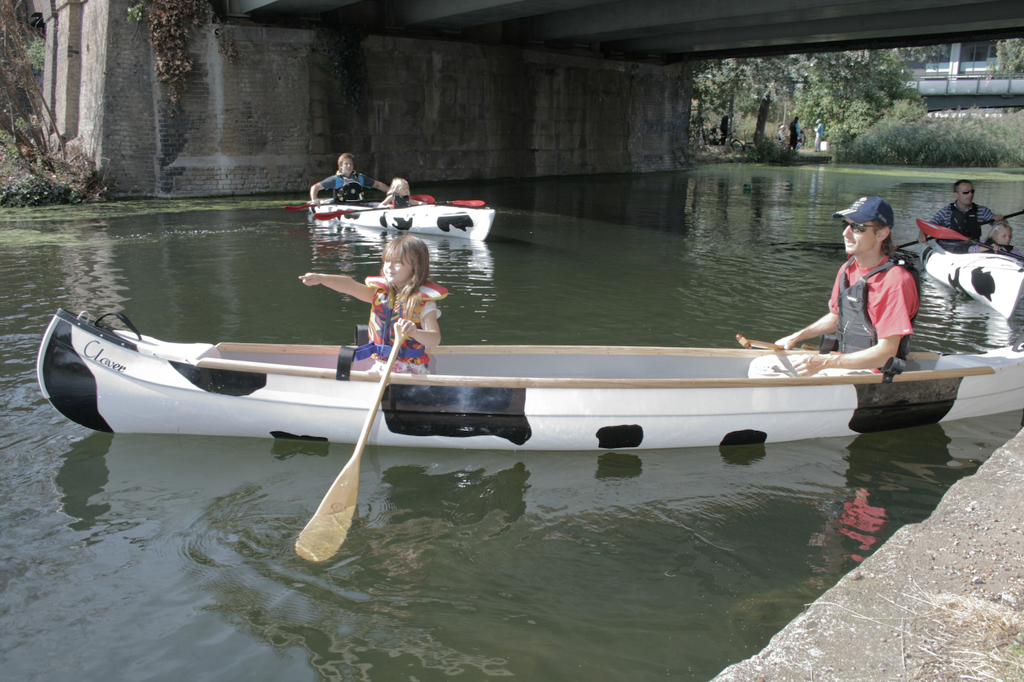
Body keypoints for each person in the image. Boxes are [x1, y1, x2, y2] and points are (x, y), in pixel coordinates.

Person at [748, 196, 919, 379]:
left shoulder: (895, 281)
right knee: (760, 366)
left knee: (772, 376)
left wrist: (824, 362)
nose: (846, 233)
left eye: (857, 227)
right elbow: (837, 317)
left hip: (873, 372)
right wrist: (797, 336)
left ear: (882, 234)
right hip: (842, 362)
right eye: (845, 225)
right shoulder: (848, 269)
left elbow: (886, 353)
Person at [299, 234, 446, 375]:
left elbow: (434, 339)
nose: (389, 267)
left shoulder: (424, 304)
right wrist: (321, 278)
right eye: (387, 261)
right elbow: (350, 286)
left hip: (411, 371)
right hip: (381, 367)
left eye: (397, 263)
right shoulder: (379, 295)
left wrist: (414, 332)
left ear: (416, 266)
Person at [918, 179, 1004, 245]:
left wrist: (999, 221)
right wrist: (922, 233)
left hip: (973, 248)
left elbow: (1002, 227)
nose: (970, 194)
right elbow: (929, 226)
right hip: (948, 248)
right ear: (956, 194)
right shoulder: (945, 212)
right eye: (966, 192)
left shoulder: (982, 211)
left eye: (972, 191)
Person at [309, 152, 389, 205]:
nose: (348, 166)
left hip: (358, 205)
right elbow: (315, 187)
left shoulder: (360, 178)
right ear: (341, 166)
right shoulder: (335, 179)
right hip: (341, 206)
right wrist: (314, 199)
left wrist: (392, 192)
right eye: (346, 164)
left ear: (353, 166)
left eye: (350, 164)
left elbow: (378, 185)